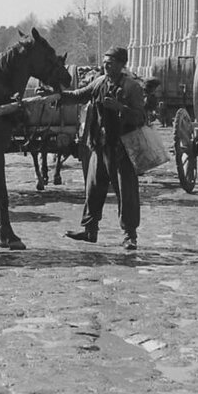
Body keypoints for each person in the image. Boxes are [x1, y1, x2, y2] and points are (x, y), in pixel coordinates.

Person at [60, 46, 146, 250]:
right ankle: (90, 231)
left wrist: (120, 109)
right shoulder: (99, 82)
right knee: (93, 189)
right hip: (100, 146)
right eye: (105, 61)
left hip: (122, 148)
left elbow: (141, 118)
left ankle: (130, 235)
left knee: (126, 193)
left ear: (122, 64)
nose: (106, 65)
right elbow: (78, 95)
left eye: (111, 62)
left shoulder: (132, 88)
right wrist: (57, 95)